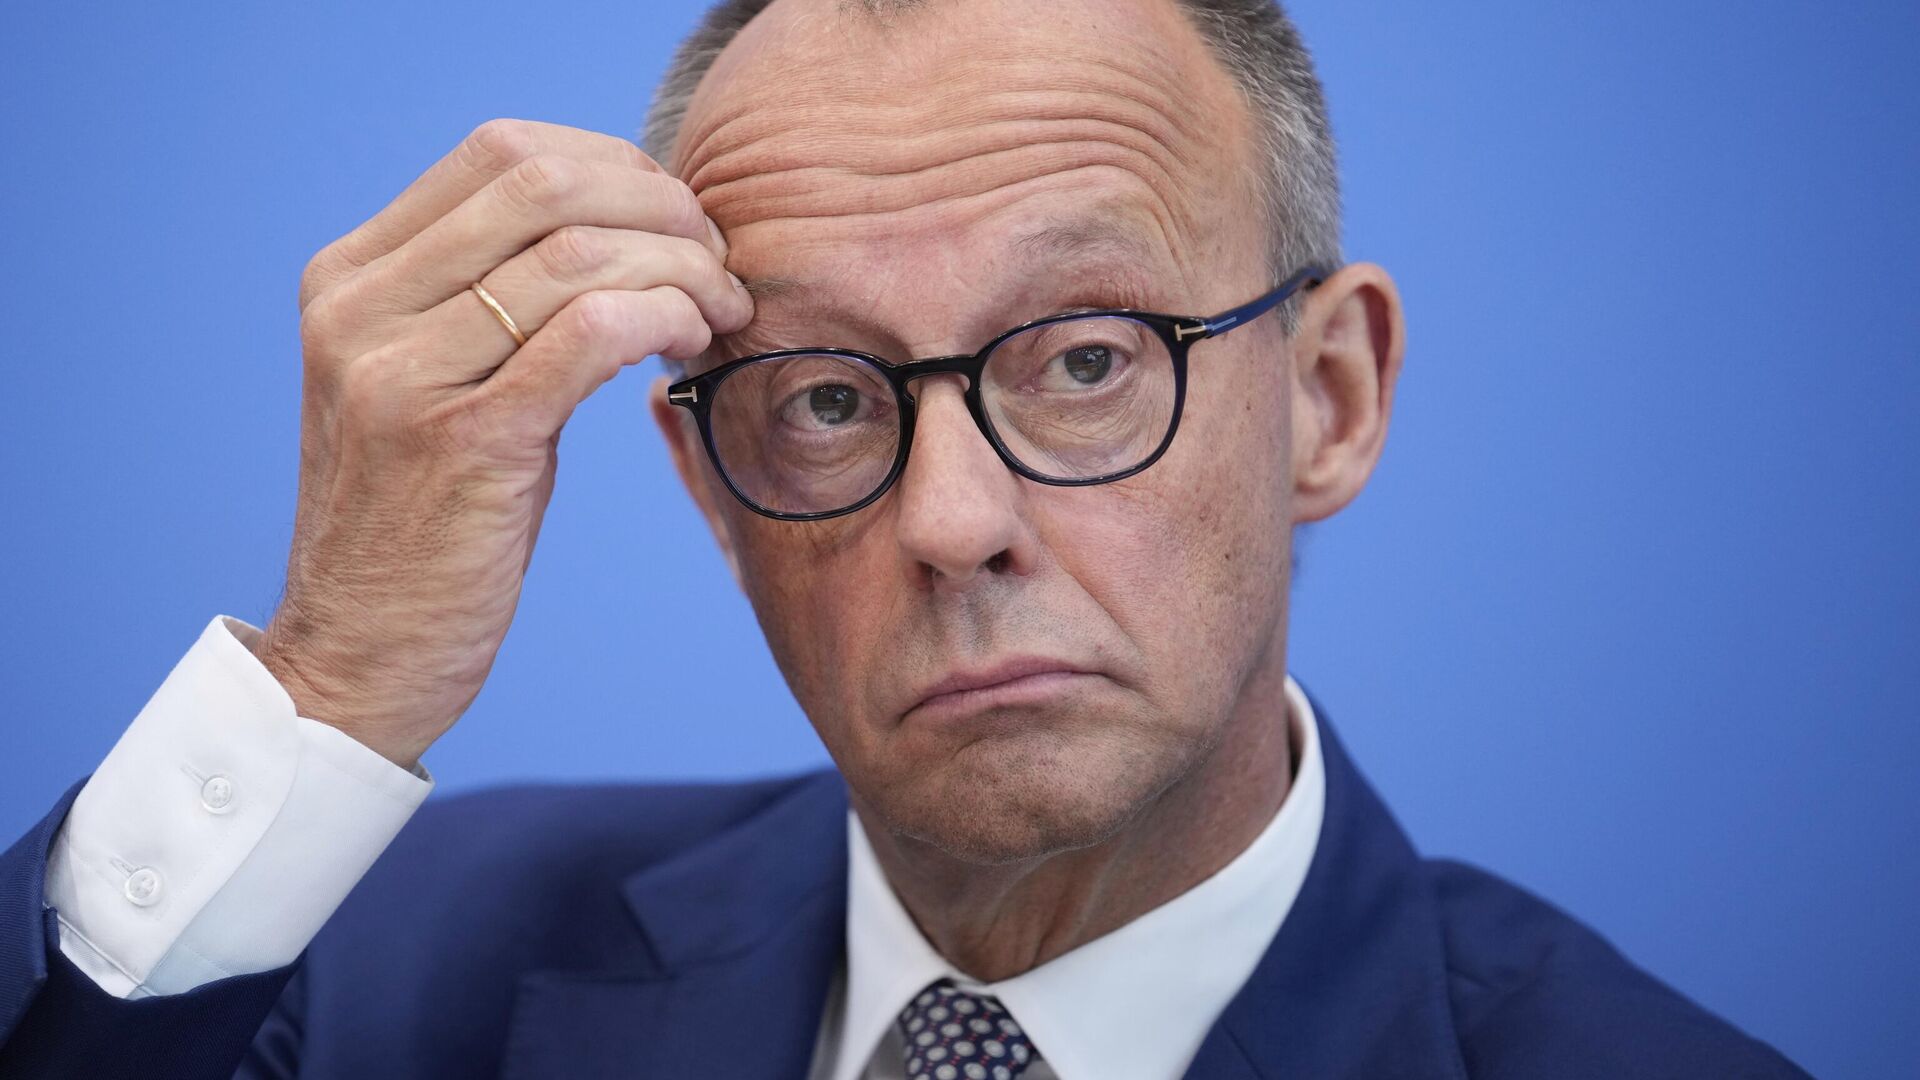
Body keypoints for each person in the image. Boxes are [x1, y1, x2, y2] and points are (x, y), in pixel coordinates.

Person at [0, 0, 1812, 1076]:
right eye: (823, 397)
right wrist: (335, 679)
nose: (952, 522)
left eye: (1088, 360)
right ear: (708, 483)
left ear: (1329, 399)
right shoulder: (392, 970)